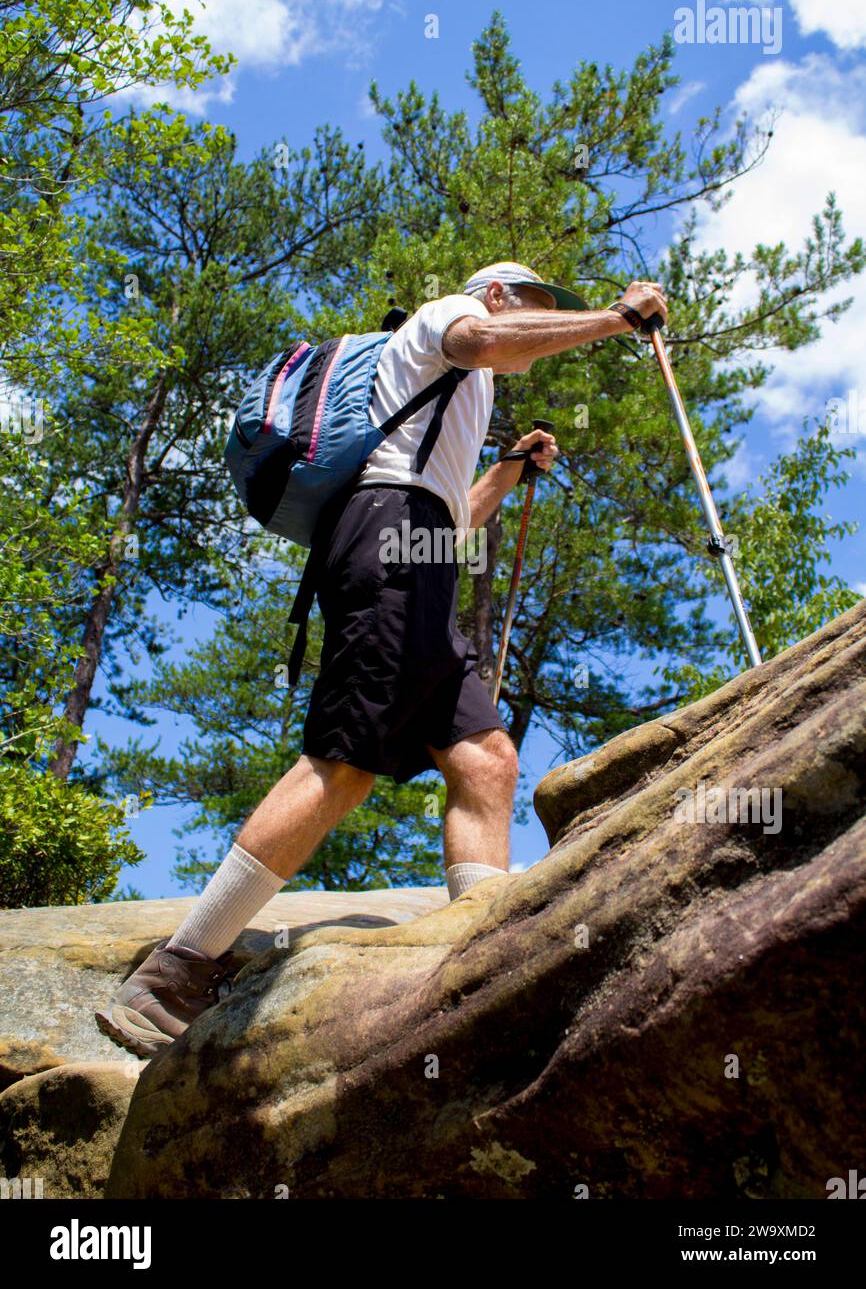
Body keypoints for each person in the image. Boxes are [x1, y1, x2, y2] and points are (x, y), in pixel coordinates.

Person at [95, 262, 668, 1057]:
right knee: (346, 761)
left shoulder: (465, 395)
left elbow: (451, 521)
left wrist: (505, 470)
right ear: (499, 295)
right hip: (385, 540)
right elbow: (485, 338)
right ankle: (176, 968)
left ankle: (480, 951)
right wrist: (611, 319)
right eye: (539, 305)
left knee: (486, 760)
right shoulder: (451, 317)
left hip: (419, 552)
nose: (546, 320)